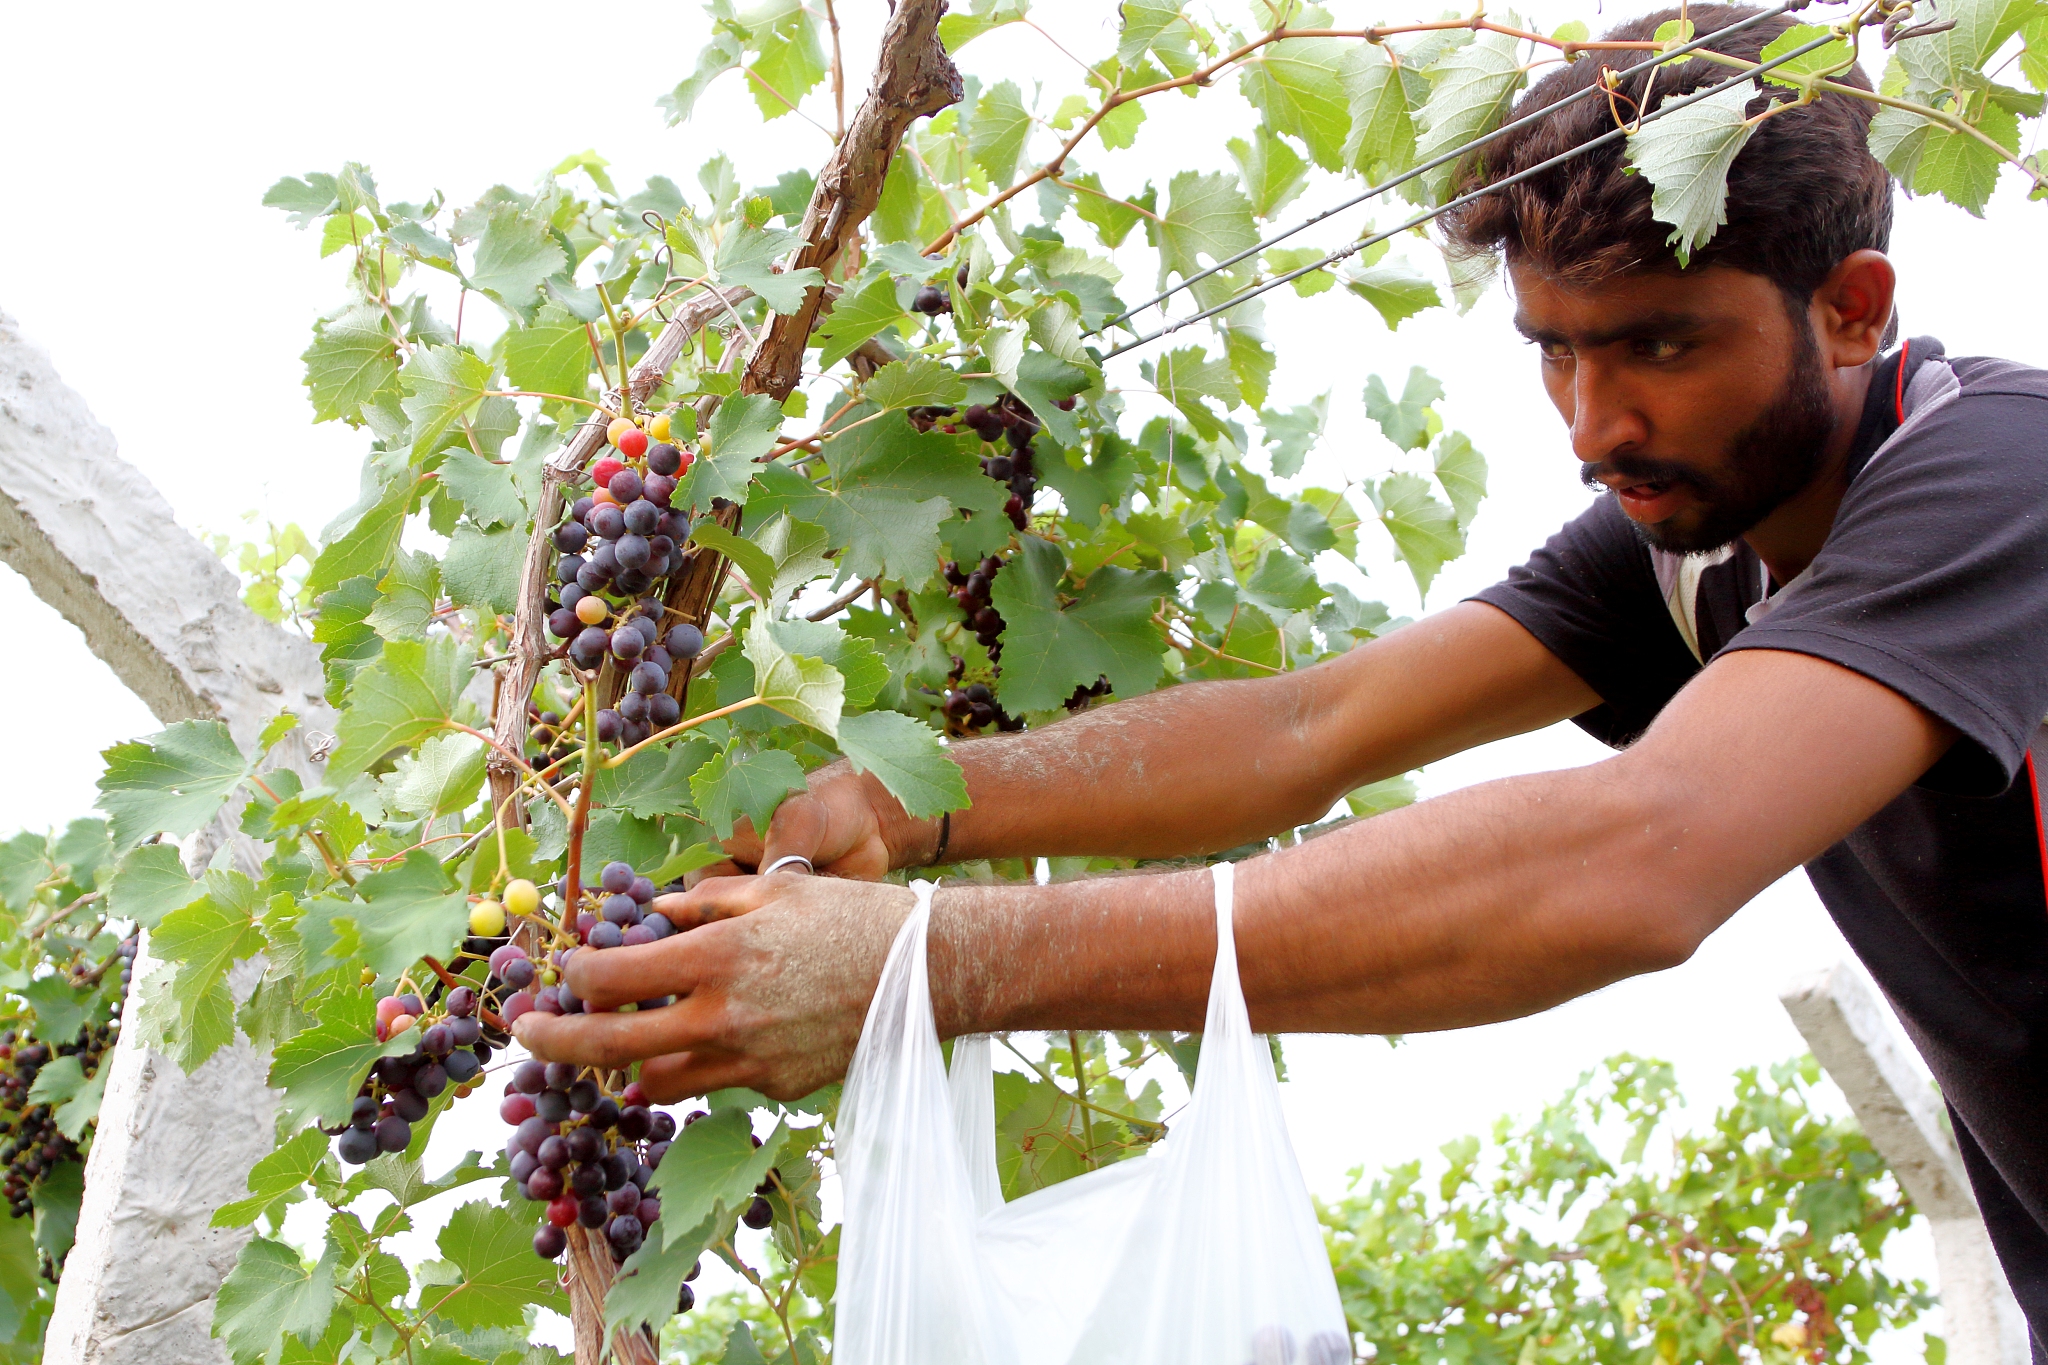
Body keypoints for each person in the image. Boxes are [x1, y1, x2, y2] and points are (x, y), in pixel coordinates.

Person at [515, 4, 2048, 1344]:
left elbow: (1640, 862)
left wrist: (936, 961)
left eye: (1655, 348)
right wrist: (910, 804)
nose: (1591, 426)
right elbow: (1308, 724)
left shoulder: (2005, 479)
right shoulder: (1703, 535)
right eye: (1554, 355)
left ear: (1851, 309)